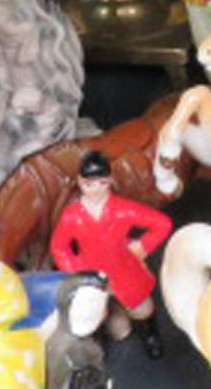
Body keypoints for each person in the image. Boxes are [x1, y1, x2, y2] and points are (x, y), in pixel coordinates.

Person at [48, 150, 174, 358]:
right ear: (79, 182)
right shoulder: (72, 216)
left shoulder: (122, 210)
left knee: (141, 307)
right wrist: (77, 272)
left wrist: (142, 246)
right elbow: (59, 248)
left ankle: (150, 335)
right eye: (89, 184)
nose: (96, 190)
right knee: (104, 320)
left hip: (123, 268)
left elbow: (162, 223)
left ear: (110, 181)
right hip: (93, 273)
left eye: (101, 183)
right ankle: (97, 347)